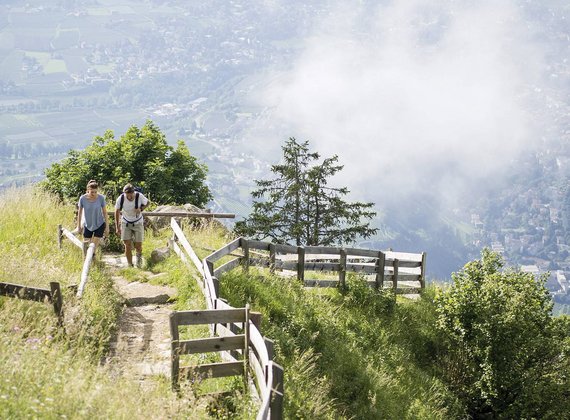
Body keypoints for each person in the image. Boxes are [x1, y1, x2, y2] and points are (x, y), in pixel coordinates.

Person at [115, 183, 149, 268]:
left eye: (131, 195)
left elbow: (148, 202)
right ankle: (130, 265)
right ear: (124, 193)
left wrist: (141, 209)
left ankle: (139, 262)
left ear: (133, 192)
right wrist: (117, 226)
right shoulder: (121, 198)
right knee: (127, 244)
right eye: (128, 195)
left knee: (138, 245)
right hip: (126, 222)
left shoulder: (139, 196)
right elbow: (117, 211)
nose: (130, 197)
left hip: (138, 222)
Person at [77, 180, 110, 251]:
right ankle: (89, 261)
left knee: (93, 247)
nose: (94, 194)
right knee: (86, 247)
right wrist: (78, 226)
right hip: (87, 225)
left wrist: (107, 227)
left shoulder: (101, 198)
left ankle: (93, 260)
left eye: (95, 192)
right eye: (92, 192)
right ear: (88, 190)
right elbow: (79, 213)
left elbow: (105, 212)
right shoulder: (82, 199)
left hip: (99, 224)